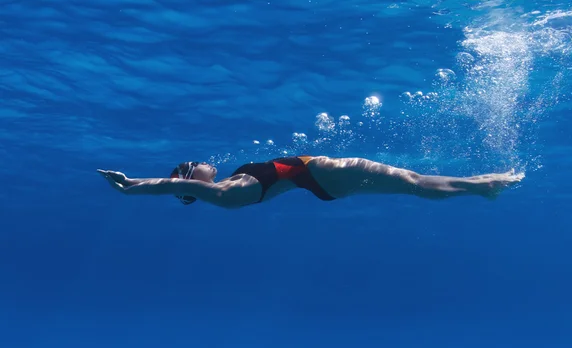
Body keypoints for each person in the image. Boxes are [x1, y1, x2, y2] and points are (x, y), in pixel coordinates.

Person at [97, 155, 524, 208]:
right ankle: (479, 186)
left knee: (411, 182)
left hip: (318, 182)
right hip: (318, 175)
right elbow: (171, 187)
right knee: (411, 180)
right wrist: (130, 183)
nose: (203, 161)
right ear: (191, 179)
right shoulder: (221, 192)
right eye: (192, 163)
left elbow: (176, 186)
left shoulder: (230, 185)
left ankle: (477, 185)